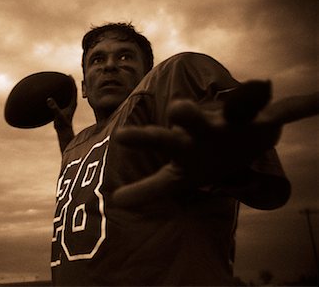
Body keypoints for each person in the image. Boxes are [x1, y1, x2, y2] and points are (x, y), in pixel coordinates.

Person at [45, 22, 317, 286]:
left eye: (125, 56)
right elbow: (88, 180)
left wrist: (227, 150)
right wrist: (64, 130)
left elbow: (249, 172)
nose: (110, 65)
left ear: (145, 76)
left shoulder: (168, 87)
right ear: (83, 88)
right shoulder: (79, 142)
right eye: (97, 59)